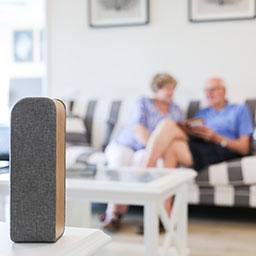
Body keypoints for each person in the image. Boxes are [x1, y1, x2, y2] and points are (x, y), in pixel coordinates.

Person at [102, 73, 184, 231]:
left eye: (173, 89)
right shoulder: (143, 102)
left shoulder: (176, 110)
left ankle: (155, 217)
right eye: (167, 88)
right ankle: (113, 214)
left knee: (144, 163)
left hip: (146, 151)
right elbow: (138, 128)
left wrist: (153, 152)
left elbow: (176, 133)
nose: (170, 92)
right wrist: (153, 149)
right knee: (119, 162)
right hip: (126, 144)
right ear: (156, 89)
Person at [145, 77, 253, 172]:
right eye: (205, 90)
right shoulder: (203, 112)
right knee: (171, 136)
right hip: (200, 144)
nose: (208, 94)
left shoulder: (239, 110)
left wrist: (216, 137)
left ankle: (146, 170)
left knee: (168, 127)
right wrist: (186, 129)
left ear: (223, 91)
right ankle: (165, 193)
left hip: (222, 148)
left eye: (212, 90)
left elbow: (244, 148)